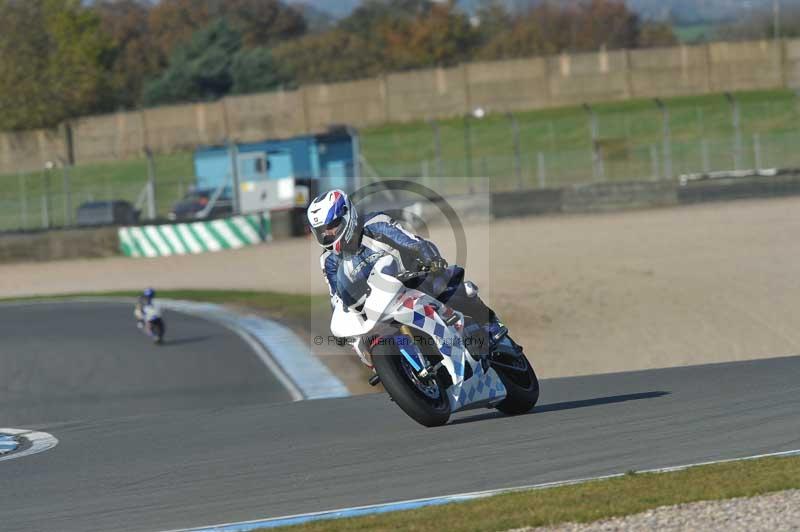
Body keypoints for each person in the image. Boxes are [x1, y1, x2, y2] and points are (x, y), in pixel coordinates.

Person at [307, 189, 510, 350]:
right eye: (321, 231)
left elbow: (412, 243)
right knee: (361, 341)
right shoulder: (328, 260)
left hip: (411, 281)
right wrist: (341, 325)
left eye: (332, 225)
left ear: (347, 215)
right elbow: (337, 297)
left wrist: (431, 260)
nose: (328, 234)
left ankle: (491, 327)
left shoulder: (375, 224)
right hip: (375, 304)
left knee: (445, 285)